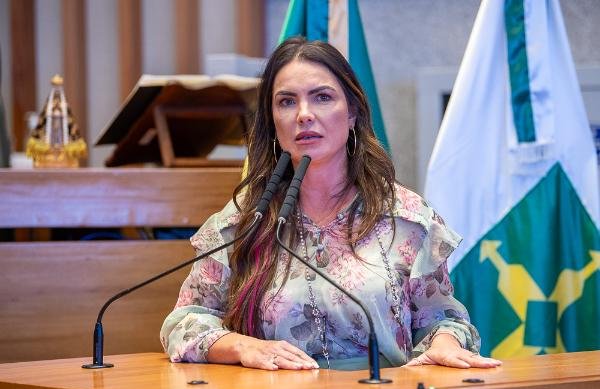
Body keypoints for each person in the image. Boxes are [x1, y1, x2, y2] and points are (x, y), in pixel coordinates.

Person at [160, 37, 502, 371]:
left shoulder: (407, 220)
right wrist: (243, 346)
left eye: (322, 97)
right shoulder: (244, 222)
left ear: (352, 113)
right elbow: (184, 324)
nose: (304, 115)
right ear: (272, 120)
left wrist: (444, 344)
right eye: (287, 102)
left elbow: (442, 320)